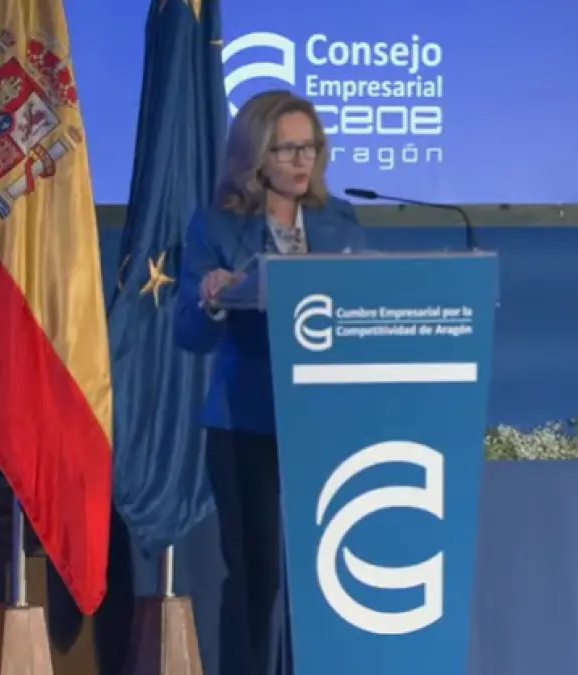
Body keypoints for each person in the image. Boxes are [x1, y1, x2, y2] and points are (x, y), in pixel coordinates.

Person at [174, 89, 366, 675]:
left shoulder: (338, 220)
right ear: (255, 156)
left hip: (325, 424)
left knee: (323, 574)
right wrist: (212, 299)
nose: (303, 160)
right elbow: (189, 334)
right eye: (287, 149)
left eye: (310, 147)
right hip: (246, 422)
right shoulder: (217, 226)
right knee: (255, 575)